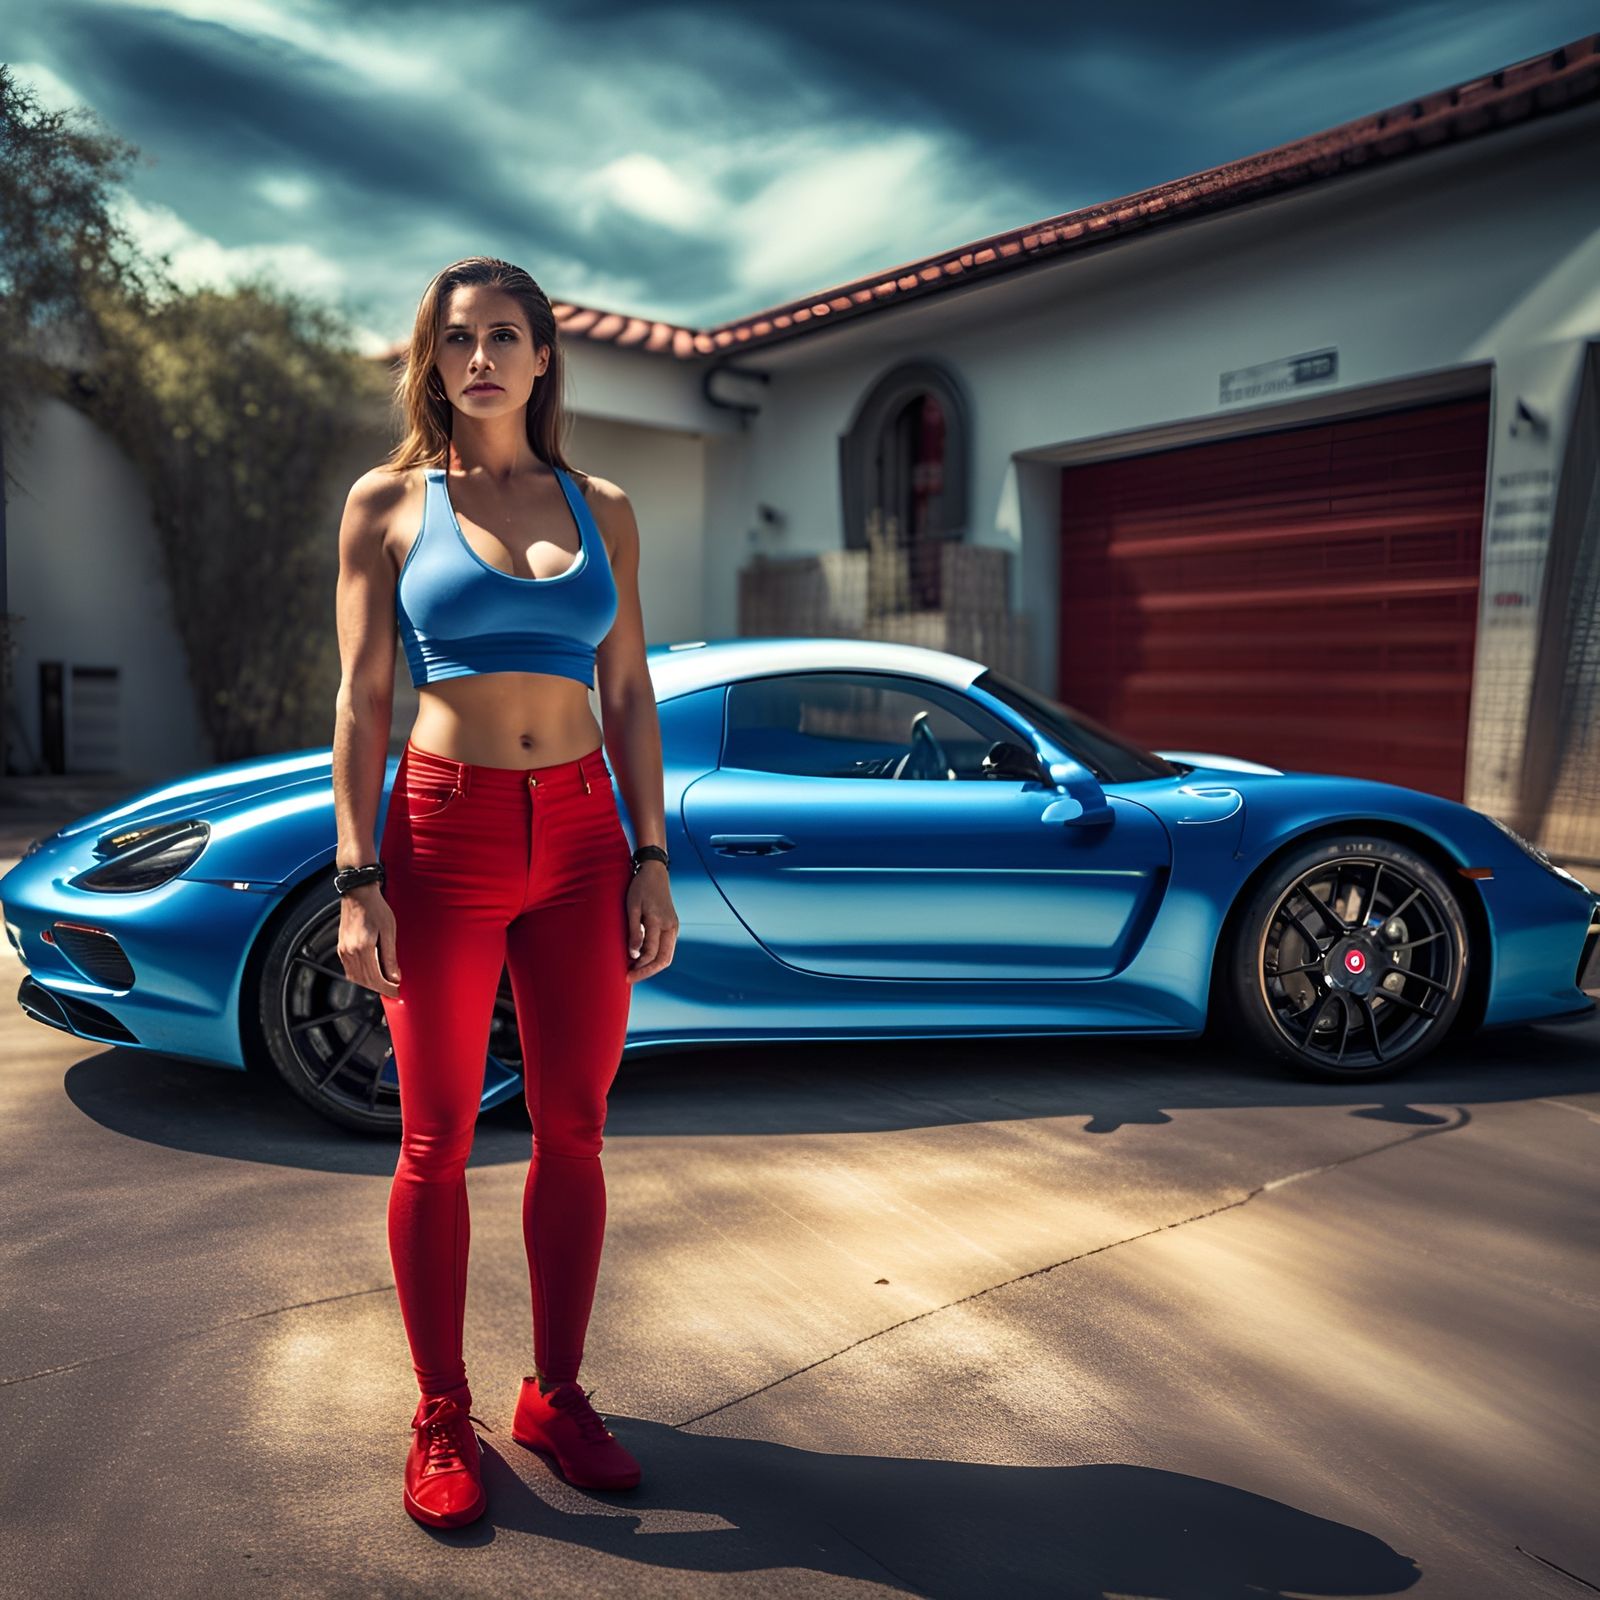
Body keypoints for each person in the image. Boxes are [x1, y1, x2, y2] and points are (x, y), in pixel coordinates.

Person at [331, 256, 679, 1527]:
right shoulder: (387, 502)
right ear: (434, 359)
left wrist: (651, 854)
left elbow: (629, 691)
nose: (481, 356)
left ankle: (557, 1395)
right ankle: (439, 1411)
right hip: (443, 834)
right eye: (458, 337)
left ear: (542, 359)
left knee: (574, 1130)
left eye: (506, 337)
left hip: (586, 837)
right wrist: (357, 877)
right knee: (433, 1137)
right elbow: (363, 699)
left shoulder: (607, 506)